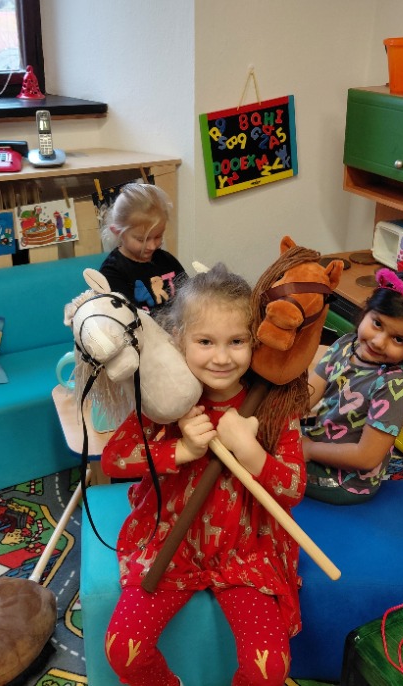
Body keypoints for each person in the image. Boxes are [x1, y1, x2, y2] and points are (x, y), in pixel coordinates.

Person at [101, 264, 305, 686]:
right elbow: (114, 460)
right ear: (179, 339)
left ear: (255, 340)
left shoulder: (272, 406)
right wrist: (182, 450)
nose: (222, 357)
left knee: (269, 670)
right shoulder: (166, 403)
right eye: (206, 341)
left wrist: (249, 450)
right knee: (124, 650)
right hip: (170, 544)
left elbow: (293, 488)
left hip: (246, 550)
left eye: (236, 341)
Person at [302, 267, 403, 504]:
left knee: (260, 464)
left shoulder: (395, 386)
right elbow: (306, 397)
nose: (378, 342)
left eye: (398, 339)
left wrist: (308, 449)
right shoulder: (347, 344)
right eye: (377, 323)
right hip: (317, 447)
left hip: (345, 482)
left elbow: (366, 457)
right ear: (367, 308)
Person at [99, 181, 185, 314]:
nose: (152, 246)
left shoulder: (166, 260)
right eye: (141, 239)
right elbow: (126, 319)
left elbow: (189, 295)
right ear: (118, 232)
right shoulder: (112, 272)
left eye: (158, 236)